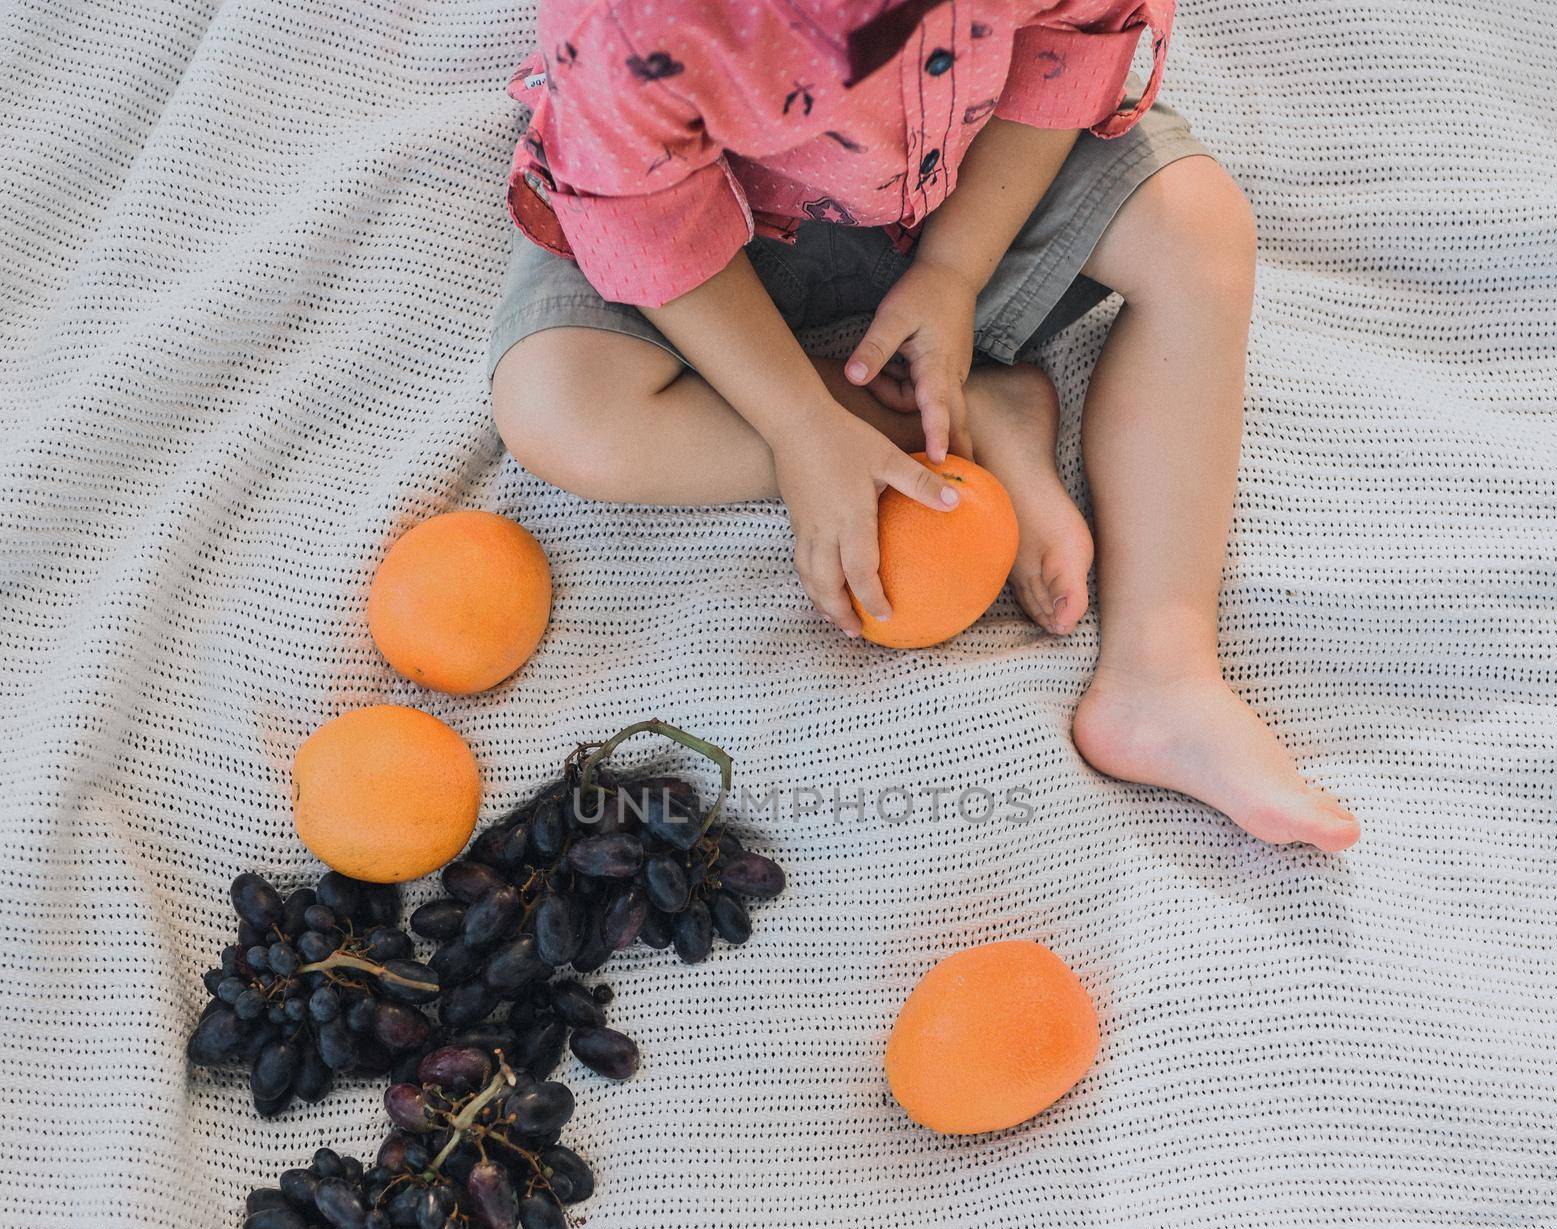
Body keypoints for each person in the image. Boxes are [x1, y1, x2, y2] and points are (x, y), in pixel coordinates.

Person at [490, 1, 1360, 851]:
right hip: (709, 234)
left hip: (979, 168)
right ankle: (954, 412)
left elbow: (1068, 41)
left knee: (1200, 232)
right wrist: (800, 424)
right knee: (558, 409)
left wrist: (955, 266)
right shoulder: (631, 21)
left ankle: (1163, 670)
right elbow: (637, 211)